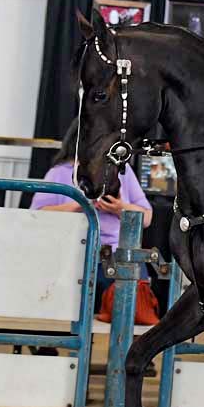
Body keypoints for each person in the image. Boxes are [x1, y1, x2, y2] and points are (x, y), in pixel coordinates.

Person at [30, 121, 153, 307]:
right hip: (71, 258)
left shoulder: (123, 171)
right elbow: (38, 215)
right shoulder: (59, 173)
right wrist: (80, 205)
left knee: (132, 305)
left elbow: (147, 217)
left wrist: (120, 208)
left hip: (116, 255)